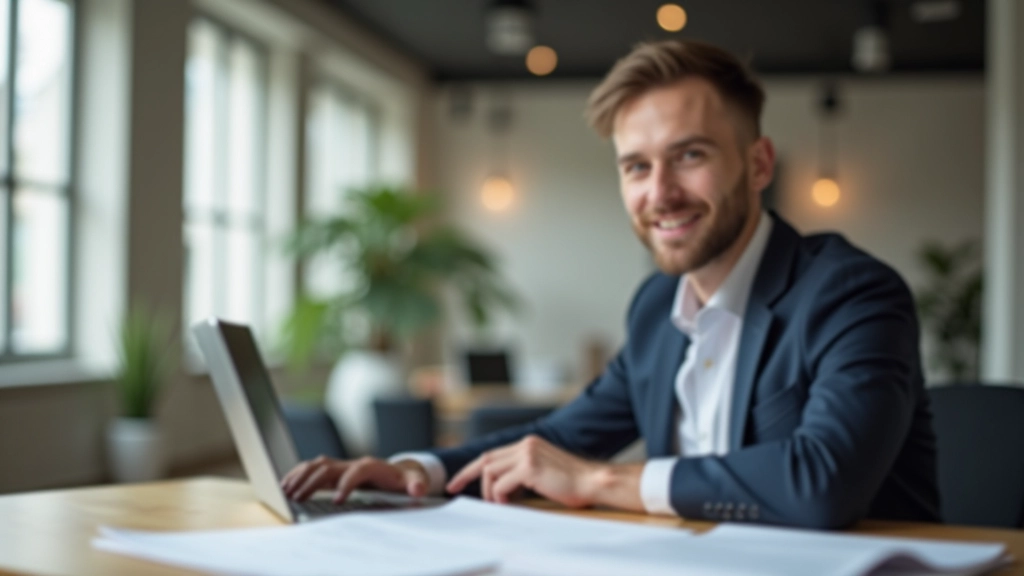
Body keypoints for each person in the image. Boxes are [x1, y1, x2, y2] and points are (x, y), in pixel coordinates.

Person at [281, 40, 941, 529]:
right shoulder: (658, 307)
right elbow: (562, 438)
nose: (660, 194)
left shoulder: (851, 294)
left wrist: (599, 480)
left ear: (758, 163)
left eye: (690, 155)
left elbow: (823, 483)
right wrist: (416, 471)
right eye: (635, 167)